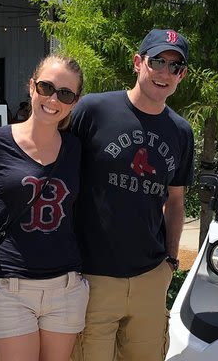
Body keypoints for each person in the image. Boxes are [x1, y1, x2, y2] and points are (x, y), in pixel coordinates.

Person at [69, 29, 195, 361]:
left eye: (175, 67)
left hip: (149, 277)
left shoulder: (181, 132)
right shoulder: (94, 110)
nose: (165, 73)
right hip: (93, 277)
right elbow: (58, 173)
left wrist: (170, 261)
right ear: (138, 63)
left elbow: (176, 200)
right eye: (158, 61)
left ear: (182, 75)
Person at [0, 54, 88, 361]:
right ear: (31, 87)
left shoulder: (76, 148)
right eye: (46, 87)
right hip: (10, 285)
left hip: (65, 286)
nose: (53, 99)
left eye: (65, 93)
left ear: (75, 101)